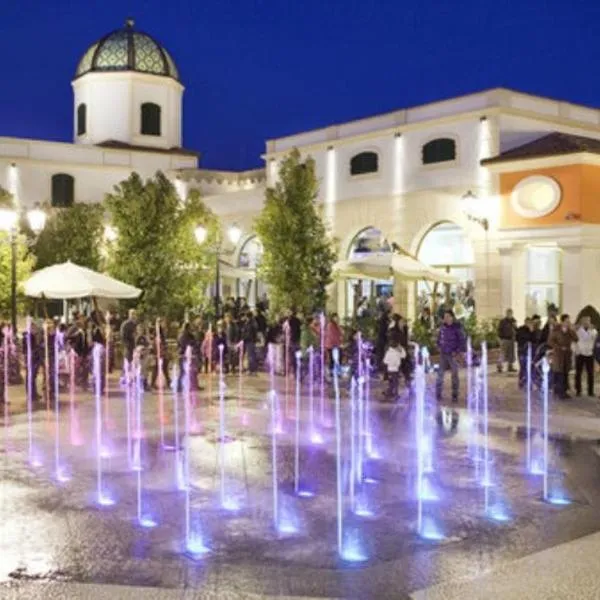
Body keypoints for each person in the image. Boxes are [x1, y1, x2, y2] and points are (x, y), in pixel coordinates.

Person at [435, 310, 466, 404]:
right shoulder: (442, 328)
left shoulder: (457, 328)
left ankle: (455, 394)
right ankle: (438, 393)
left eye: (448, 316)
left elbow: (462, 341)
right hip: (443, 354)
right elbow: (439, 339)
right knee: (440, 374)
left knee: (454, 375)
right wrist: (439, 346)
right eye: (444, 317)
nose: (446, 318)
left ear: (452, 317)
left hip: (453, 354)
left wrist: (457, 351)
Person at [548, 314, 578, 399]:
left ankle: (563, 391)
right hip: (558, 355)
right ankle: (559, 392)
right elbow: (550, 341)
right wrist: (559, 347)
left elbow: (576, 339)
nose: (568, 323)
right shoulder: (556, 330)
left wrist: (572, 330)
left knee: (565, 373)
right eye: (566, 321)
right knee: (559, 373)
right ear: (562, 321)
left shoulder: (570, 331)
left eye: (569, 321)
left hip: (567, 355)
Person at [574, 315, 597, 397]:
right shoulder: (578, 330)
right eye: (585, 321)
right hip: (580, 353)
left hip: (589, 353)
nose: (587, 322)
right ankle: (578, 390)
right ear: (582, 322)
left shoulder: (593, 331)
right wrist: (577, 351)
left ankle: (590, 391)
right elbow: (575, 341)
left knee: (590, 373)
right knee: (578, 373)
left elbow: (595, 340)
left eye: (588, 321)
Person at [516, 317, 536, 389]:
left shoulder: (532, 330)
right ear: (525, 322)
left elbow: (534, 340)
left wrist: (532, 331)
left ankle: (529, 382)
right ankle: (521, 381)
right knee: (523, 367)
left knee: (529, 367)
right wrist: (530, 332)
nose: (529, 324)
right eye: (528, 323)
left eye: (530, 323)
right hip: (522, 351)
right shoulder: (520, 329)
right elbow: (519, 339)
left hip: (529, 351)